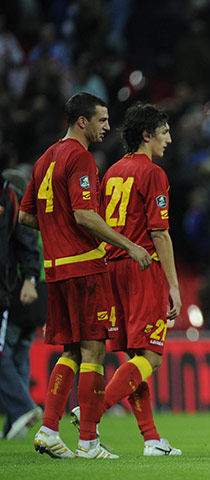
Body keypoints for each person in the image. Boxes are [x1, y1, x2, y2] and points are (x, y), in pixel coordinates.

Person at [19, 92, 152, 460]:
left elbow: (27, 216)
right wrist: (129, 245)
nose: (108, 126)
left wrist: (56, 228)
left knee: (72, 351)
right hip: (84, 266)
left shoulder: (46, 157)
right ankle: (89, 441)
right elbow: (84, 215)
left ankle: (48, 430)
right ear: (82, 122)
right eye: (102, 119)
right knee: (94, 349)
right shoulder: (79, 156)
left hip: (56, 270)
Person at [76, 102, 182, 456]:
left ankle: (151, 440)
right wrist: (174, 287)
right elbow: (160, 234)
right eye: (164, 132)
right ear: (146, 135)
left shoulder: (112, 172)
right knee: (150, 358)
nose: (169, 139)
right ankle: (93, 411)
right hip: (141, 268)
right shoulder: (153, 173)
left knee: (135, 359)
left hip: (113, 268)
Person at [0, 170, 43, 440]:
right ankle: (14, 423)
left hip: (19, 295)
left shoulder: (18, 212)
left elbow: (24, 250)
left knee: (6, 351)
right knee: (19, 355)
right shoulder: (41, 215)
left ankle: (22, 408)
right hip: (41, 294)